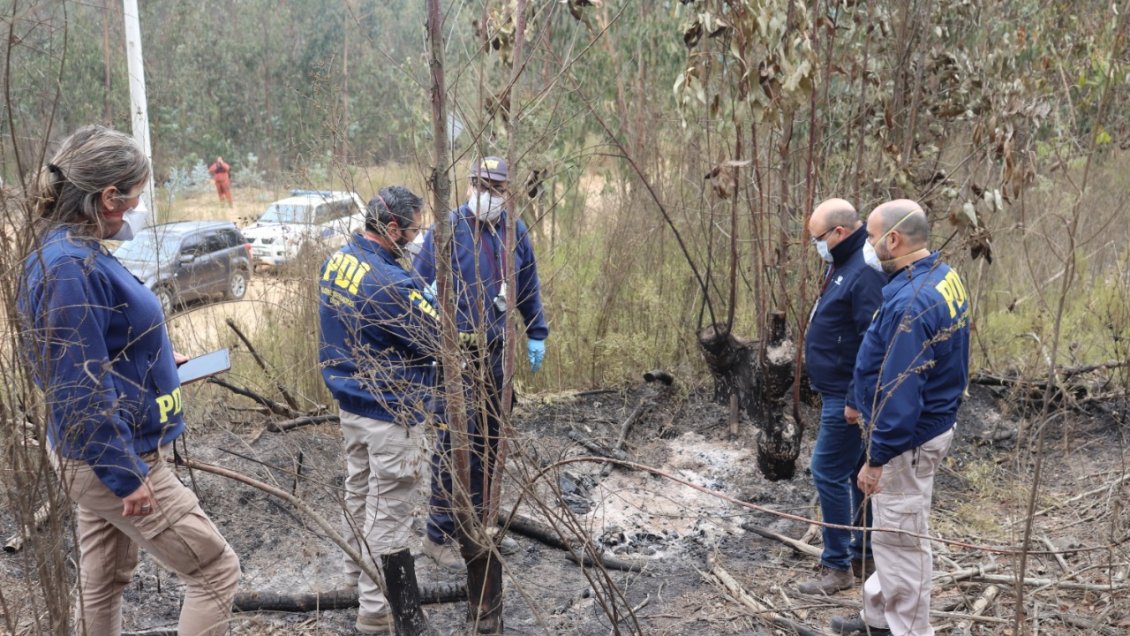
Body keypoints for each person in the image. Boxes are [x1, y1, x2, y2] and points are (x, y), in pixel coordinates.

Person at [17, 125, 241, 636]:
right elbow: (76, 386)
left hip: (96, 454)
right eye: (136, 196)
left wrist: (152, 356)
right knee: (214, 571)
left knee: (104, 580)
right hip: (115, 456)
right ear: (108, 197)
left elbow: (95, 346)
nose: (139, 208)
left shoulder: (72, 251)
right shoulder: (69, 268)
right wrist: (126, 475)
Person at [831, 200, 971, 636]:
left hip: (907, 441)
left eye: (871, 238)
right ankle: (878, 617)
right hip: (920, 428)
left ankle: (907, 630)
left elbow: (900, 392)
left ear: (893, 240)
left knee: (902, 539)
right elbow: (883, 355)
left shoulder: (912, 303)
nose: (867, 246)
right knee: (892, 532)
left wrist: (877, 458)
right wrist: (856, 397)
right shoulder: (938, 275)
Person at [413, 156, 549, 570]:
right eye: (481, 185)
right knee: (456, 442)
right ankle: (438, 535)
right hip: (455, 356)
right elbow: (415, 288)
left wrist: (537, 332)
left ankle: (478, 525)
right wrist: (429, 314)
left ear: (507, 192)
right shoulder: (447, 228)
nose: (487, 194)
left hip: (496, 353)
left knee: (490, 443)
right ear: (469, 185)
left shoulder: (514, 231)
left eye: (496, 188)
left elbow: (528, 285)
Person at [319, 186, 439, 635]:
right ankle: (374, 610)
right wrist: (430, 301)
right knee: (388, 511)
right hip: (391, 412)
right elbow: (436, 341)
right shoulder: (391, 284)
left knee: (359, 491)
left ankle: (354, 577)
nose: (415, 238)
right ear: (391, 228)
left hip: (351, 403)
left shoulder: (337, 261)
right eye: (412, 230)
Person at [798, 198, 885, 595]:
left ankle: (837, 566)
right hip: (836, 388)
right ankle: (863, 555)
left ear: (839, 232)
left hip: (846, 395)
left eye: (818, 238)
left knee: (826, 470)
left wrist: (854, 397)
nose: (815, 246)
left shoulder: (863, 271)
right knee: (853, 473)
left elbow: (872, 341)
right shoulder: (842, 259)